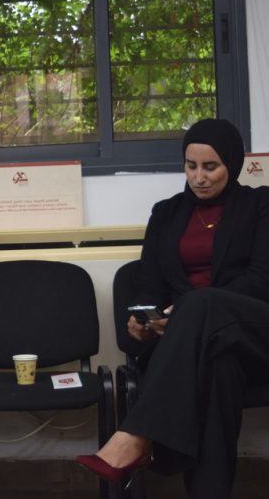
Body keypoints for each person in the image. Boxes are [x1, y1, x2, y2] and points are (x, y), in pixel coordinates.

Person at [76, 119, 269, 498]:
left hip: (253, 331)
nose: (199, 177)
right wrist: (143, 319)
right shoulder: (166, 212)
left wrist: (187, 310)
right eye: (190, 166)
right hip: (196, 347)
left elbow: (261, 279)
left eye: (210, 167)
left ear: (232, 164)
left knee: (202, 301)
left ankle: (137, 434)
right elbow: (149, 284)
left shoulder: (260, 205)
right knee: (219, 370)